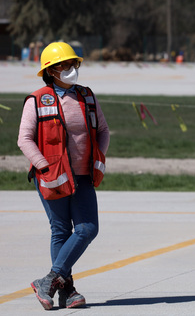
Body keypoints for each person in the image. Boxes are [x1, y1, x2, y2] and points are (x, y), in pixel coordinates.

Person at [17, 42, 109, 310]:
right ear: (50, 71)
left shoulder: (87, 96)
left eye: (73, 64)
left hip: (82, 176)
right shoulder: (37, 99)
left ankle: (47, 280)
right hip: (52, 176)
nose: (70, 69)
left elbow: (103, 130)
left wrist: (99, 157)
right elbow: (24, 139)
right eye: (63, 65)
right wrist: (43, 166)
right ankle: (67, 292)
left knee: (88, 229)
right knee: (60, 230)